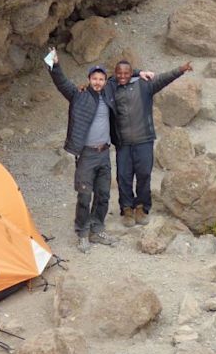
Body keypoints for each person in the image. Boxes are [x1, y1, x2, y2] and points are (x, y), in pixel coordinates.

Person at [46, 50, 151, 253]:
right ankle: (83, 233)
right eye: (94, 78)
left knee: (103, 194)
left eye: (101, 79)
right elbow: (61, 82)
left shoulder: (109, 93)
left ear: (105, 81)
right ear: (89, 79)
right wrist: (55, 64)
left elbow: (123, 74)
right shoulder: (79, 95)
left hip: (104, 153)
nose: (97, 82)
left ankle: (97, 229)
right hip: (86, 154)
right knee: (85, 195)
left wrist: (141, 72)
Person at [109, 60, 193, 227]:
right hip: (123, 143)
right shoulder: (111, 88)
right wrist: (137, 71)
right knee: (123, 177)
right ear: (115, 73)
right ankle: (126, 208)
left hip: (144, 140)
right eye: (120, 73)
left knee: (144, 175)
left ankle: (142, 207)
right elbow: (102, 81)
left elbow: (163, 79)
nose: (123, 76)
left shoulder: (144, 85)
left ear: (131, 72)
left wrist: (181, 69)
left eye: (127, 73)